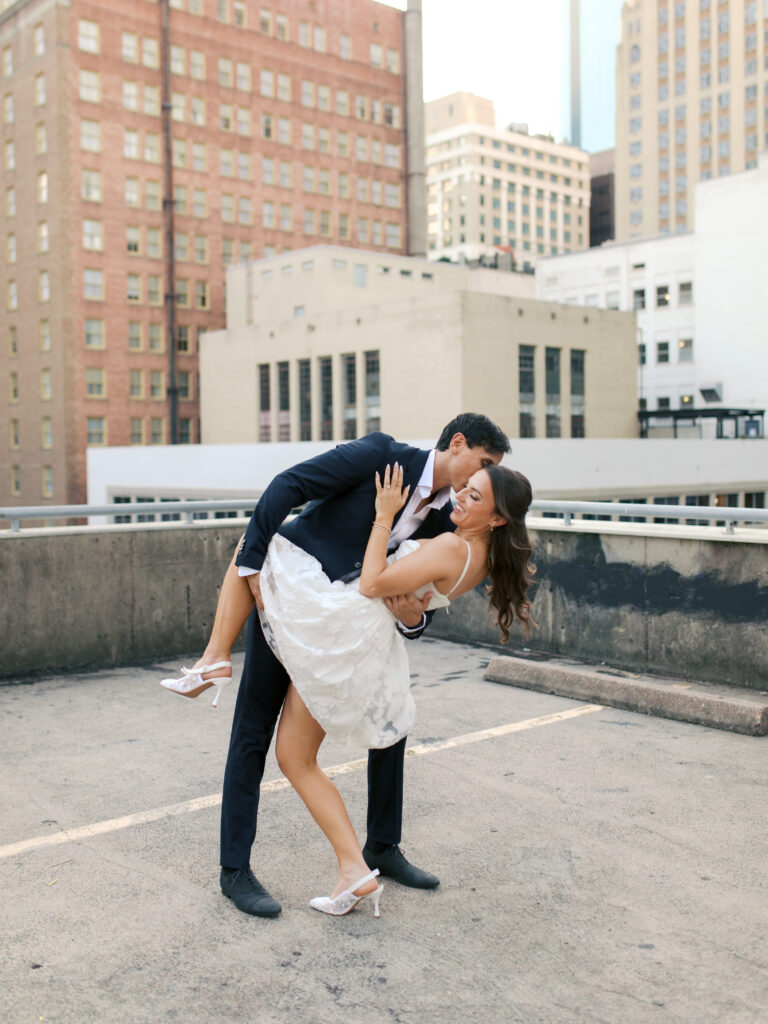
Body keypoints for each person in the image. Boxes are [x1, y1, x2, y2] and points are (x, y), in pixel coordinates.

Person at [163, 414, 515, 917]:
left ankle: (381, 848)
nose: (480, 483)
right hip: (289, 603)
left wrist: (414, 621)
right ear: (457, 444)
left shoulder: (453, 520)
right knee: (253, 732)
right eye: (483, 465)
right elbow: (289, 485)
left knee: (392, 721)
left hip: (345, 630)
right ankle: (235, 870)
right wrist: (253, 566)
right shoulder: (380, 455)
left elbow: (423, 595)